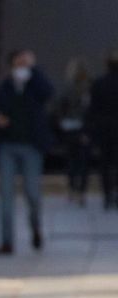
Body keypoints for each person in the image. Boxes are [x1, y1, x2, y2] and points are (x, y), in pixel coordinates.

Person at [0, 49, 55, 254]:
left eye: (25, 63)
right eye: (18, 63)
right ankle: (7, 241)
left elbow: (48, 92)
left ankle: (35, 227)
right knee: (6, 195)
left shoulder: (35, 86)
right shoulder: (4, 87)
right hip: (8, 146)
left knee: (32, 193)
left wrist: (34, 70)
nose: (22, 67)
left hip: (31, 146)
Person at [55, 58, 92, 206]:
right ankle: (80, 191)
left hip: (70, 127)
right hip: (80, 127)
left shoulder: (69, 88)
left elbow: (59, 107)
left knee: (72, 160)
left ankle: (73, 190)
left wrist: (62, 121)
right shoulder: (85, 89)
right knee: (81, 161)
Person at [88, 49, 118, 210]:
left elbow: (93, 108)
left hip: (104, 128)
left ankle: (107, 195)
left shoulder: (99, 83)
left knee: (105, 163)